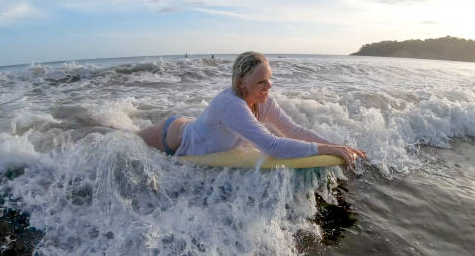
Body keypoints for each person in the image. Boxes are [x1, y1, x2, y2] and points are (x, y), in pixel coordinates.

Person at [138, 51, 367, 168]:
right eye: (261, 82)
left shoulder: (262, 100)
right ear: (241, 84)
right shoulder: (232, 105)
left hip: (196, 127)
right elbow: (273, 146)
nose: (269, 86)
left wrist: (335, 146)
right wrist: (325, 148)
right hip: (170, 137)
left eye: (270, 79)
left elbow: (293, 130)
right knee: (122, 137)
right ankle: (101, 124)